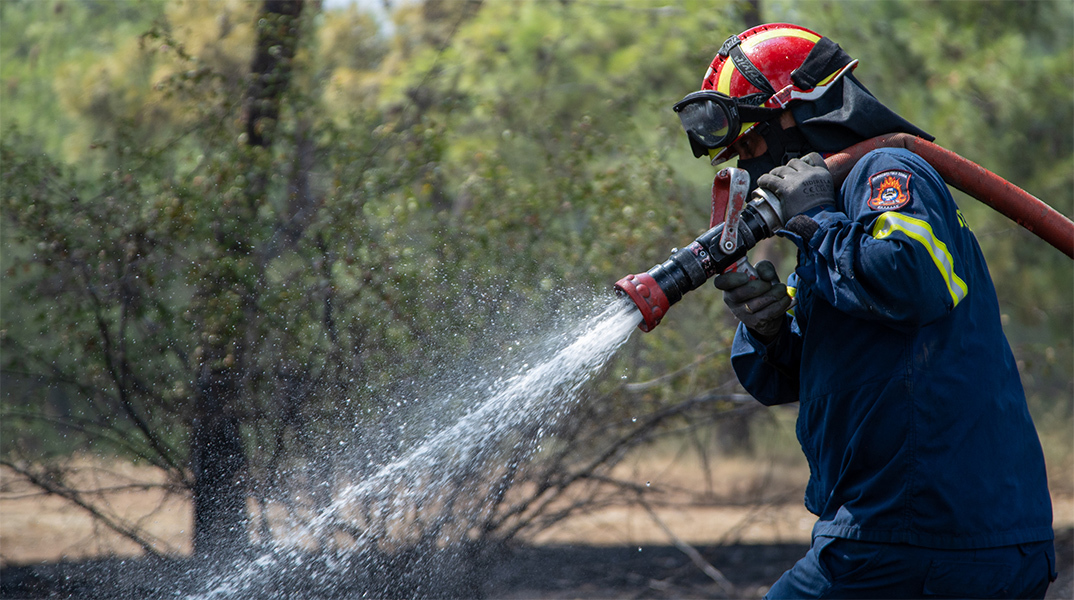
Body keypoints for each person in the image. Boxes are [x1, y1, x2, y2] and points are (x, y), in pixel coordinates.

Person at [674, 23, 1057, 598]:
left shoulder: (887, 174)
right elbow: (797, 375)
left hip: (913, 534)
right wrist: (771, 330)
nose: (753, 169)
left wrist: (813, 219)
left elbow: (912, 277)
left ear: (801, 118)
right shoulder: (836, 218)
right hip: (940, 530)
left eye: (753, 145)